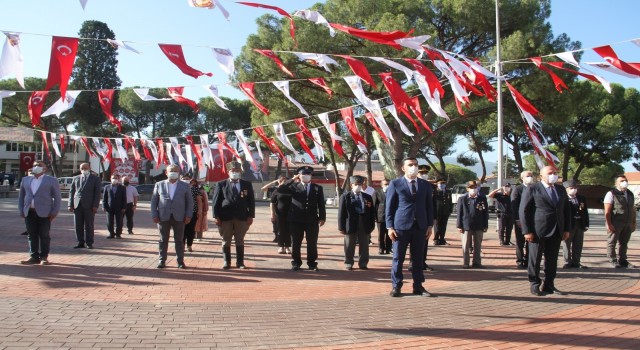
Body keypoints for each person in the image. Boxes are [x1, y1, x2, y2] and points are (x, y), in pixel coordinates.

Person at [386, 157, 435, 297]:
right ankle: (396, 286)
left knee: (418, 258)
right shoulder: (395, 184)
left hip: (420, 226)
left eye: (415, 164)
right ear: (403, 168)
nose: (413, 167)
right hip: (401, 227)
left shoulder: (425, 185)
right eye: (410, 165)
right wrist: (390, 227)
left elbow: (429, 206)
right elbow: (390, 207)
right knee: (398, 258)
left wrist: (430, 225)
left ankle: (418, 286)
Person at [520, 166, 571, 296]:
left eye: (555, 173)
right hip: (538, 231)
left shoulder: (560, 189)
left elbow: (566, 210)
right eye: (550, 173)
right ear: (541, 176)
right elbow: (524, 210)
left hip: (556, 230)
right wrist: (527, 231)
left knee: (552, 260)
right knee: (534, 259)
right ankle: (534, 284)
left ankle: (549, 285)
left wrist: (566, 229)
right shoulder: (533, 188)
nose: (553, 175)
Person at [278, 166, 326, 271]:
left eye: (308, 174)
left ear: (311, 175)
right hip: (296, 219)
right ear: (299, 175)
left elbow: (321, 204)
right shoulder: (293, 186)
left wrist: (322, 218)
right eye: (303, 174)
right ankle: (296, 262)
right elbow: (280, 189)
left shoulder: (317, 188)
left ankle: (312, 263)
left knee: (312, 243)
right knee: (296, 242)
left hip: (312, 220)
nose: (306, 176)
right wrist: (293, 179)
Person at [212, 161, 255, 269]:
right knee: (226, 239)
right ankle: (227, 261)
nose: (235, 172)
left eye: (237, 171)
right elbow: (215, 202)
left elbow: (251, 201)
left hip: (242, 217)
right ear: (228, 172)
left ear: (240, 172)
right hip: (225, 217)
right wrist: (216, 216)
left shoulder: (247, 184)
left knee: (239, 239)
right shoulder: (221, 184)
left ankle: (240, 262)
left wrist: (250, 216)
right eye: (233, 171)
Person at [18, 160, 61, 265]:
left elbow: (57, 197)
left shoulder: (51, 180)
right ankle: (33, 256)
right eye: (34, 165)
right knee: (31, 235)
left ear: (45, 169)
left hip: (45, 212)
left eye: (39, 165)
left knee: (44, 235)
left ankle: (44, 257)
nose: (36, 167)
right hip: (29, 212)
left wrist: (54, 212)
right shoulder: (25, 180)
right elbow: (21, 197)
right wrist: (21, 210)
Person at [151, 164, 193, 269]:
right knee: (163, 240)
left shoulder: (185, 186)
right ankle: (162, 260)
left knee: (179, 240)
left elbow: (190, 202)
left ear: (179, 173)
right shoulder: (159, 185)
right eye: (171, 171)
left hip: (179, 217)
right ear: (166, 172)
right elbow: (154, 201)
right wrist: (154, 214)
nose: (173, 172)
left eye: (176, 171)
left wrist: (188, 215)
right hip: (163, 216)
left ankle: (180, 261)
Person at [338, 176, 376, 270]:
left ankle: (363, 263)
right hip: (350, 223)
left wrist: (372, 225)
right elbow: (341, 213)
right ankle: (349, 263)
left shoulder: (367, 197)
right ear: (351, 185)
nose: (358, 186)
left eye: (360, 184)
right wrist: (341, 227)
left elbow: (372, 212)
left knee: (364, 244)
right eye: (356, 184)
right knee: (349, 244)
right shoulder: (345, 196)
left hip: (364, 222)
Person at [603, 174, 636, 268]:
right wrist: (609, 224)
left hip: (627, 223)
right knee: (612, 242)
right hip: (616, 222)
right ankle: (612, 260)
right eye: (621, 181)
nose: (624, 182)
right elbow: (607, 211)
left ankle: (623, 260)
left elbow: (633, 209)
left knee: (624, 243)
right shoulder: (611, 193)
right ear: (616, 183)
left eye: (625, 180)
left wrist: (633, 223)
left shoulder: (630, 193)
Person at [457, 180, 489, 268]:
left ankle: (477, 262)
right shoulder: (462, 199)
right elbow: (459, 213)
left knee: (478, 245)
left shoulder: (482, 199)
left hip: (479, 225)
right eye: (471, 188)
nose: (473, 189)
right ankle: (466, 263)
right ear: (467, 189)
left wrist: (485, 225)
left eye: (475, 187)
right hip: (466, 225)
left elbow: (485, 213)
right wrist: (459, 225)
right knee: (466, 245)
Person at [68, 163, 101, 249]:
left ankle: (89, 242)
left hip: (89, 205)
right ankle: (80, 242)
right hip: (77, 205)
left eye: (86, 168)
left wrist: (95, 205)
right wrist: (70, 204)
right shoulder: (76, 178)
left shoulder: (95, 179)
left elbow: (97, 193)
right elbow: (72, 192)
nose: (84, 169)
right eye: (82, 168)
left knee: (89, 225)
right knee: (78, 225)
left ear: (89, 168)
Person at [511, 170, 535, 269]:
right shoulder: (518, 189)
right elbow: (514, 206)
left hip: (533, 220)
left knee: (531, 241)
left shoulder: (535, 188)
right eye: (527, 176)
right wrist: (517, 219)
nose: (530, 177)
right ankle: (520, 260)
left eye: (531, 175)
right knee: (520, 242)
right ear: (522, 178)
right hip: (521, 220)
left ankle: (529, 260)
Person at [562, 180, 589, 269]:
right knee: (567, 244)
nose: (574, 190)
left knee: (578, 244)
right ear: (566, 189)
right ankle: (567, 261)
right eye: (571, 188)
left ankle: (576, 262)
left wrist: (586, 224)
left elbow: (585, 212)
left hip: (579, 224)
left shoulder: (581, 198)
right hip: (568, 224)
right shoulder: (563, 198)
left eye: (575, 188)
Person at [270, 175, 292, 254]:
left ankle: (287, 247)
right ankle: (281, 246)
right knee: (280, 230)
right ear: (279, 181)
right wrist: (272, 214)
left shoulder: (291, 190)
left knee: (288, 231)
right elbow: (272, 202)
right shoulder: (277, 190)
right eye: (282, 181)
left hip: (290, 214)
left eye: (285, 181)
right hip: (279, 214)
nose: (284, 182)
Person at [103, 174, 127, 239]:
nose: (114, 179)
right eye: (113, 178)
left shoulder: (122, 187)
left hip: (119, 207)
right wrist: (104, 206)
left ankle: (118, 234)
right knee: (109, 221)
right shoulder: (107, 187)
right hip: (109, 207)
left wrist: (124, 207)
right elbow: (105, 198)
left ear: (118, 179)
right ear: (110, 179)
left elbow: (124, 198)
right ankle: (111, 233)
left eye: (116, 178)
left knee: (119, 221)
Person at [183, 176, 203, 252]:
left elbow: (199, 201)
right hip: (181, 212)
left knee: (191, 230)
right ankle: (182, 246)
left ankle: (189, 245)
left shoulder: (194, 189)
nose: (185, 180)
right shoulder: (179, 188)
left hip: (192, 212)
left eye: (187, 179)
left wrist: (200, 211)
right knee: (182, 230)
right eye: (184, 179)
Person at [373, 178, 392, 255]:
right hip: (380, 216)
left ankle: (388, 248)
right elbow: (374, 205)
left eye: (388, 184)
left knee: (389, 233)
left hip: (390, 217)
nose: (387, 186)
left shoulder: (392, 192)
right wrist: (374, 217)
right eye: (385, 184)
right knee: (381, 234)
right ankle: (381, 248)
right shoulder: (377, 193)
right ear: (381, 185)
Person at [433, 178, 453, 246]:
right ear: (437, 184)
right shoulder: (435, 192)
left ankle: (442, 239)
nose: (442, 185)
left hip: (445, 211)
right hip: (437, 211)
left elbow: (450, 201)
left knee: (444, 226)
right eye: (440, 183)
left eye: (443, 183)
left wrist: (450, 209)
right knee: (437, 226)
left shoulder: (448, 191)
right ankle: (436, 239)